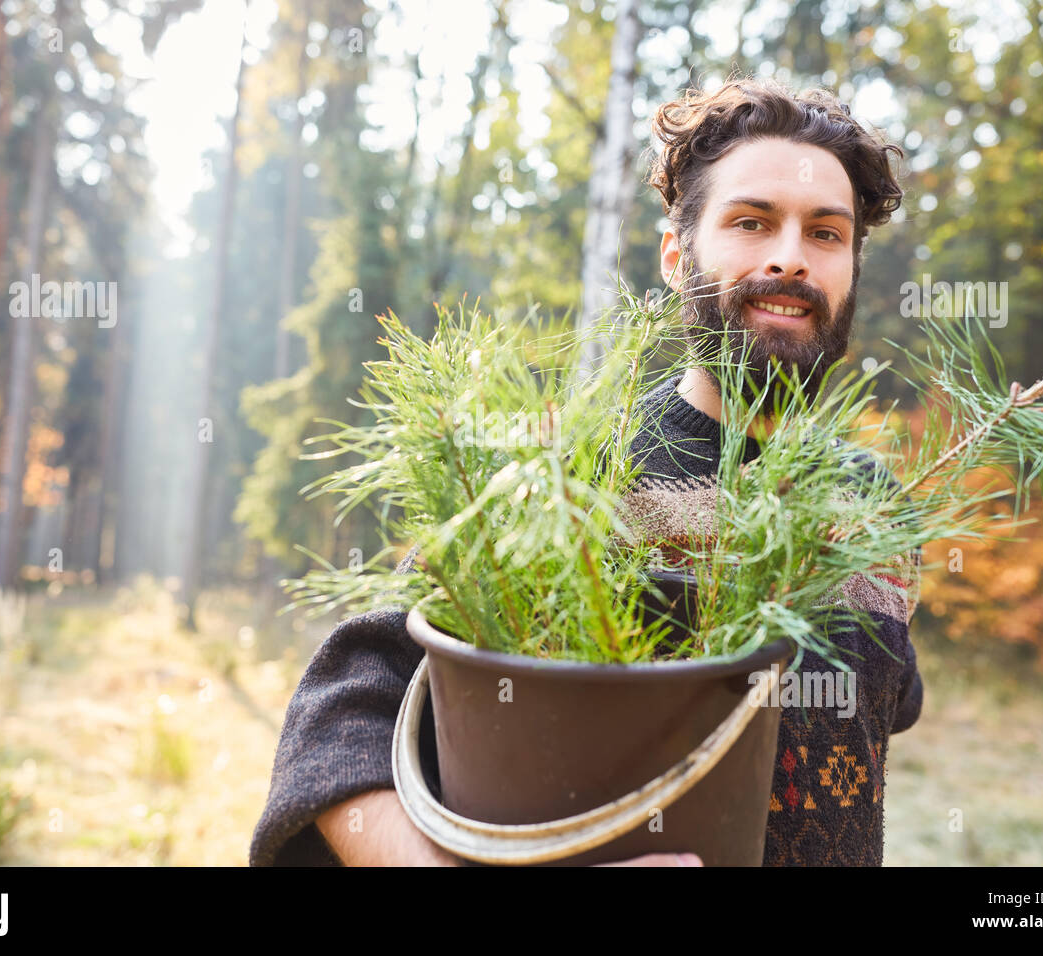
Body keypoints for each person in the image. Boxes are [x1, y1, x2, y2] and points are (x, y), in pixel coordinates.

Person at [250, 75, 921, 867]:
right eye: (751, 221)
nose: (790, 258)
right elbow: (343, 713)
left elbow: (881, 710)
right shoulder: (569, 475)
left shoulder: (877, 500)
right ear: (677, 257)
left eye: (826, 234)